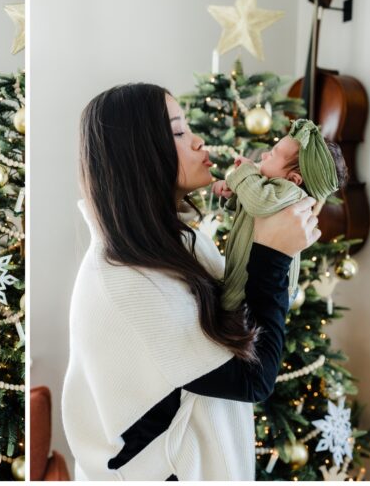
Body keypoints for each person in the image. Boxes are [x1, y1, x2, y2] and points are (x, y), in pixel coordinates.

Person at [62, 84, 320, 481]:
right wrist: (274, 257)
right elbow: (252, 377)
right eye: (179, 131)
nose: (199, 140)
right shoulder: (127, 277)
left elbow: (233, 322)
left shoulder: (176, 241)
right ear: (140, 155)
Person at [213, 118, 348, 310]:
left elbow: (259, 203)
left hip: (262, 291)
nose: (265, 154)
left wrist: (245, 170)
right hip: (248, 280)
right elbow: (251, 206)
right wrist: (231, 194)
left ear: (293, 179)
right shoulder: (269, 190)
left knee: (233, 315)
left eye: (273, 154)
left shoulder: (292, 194)